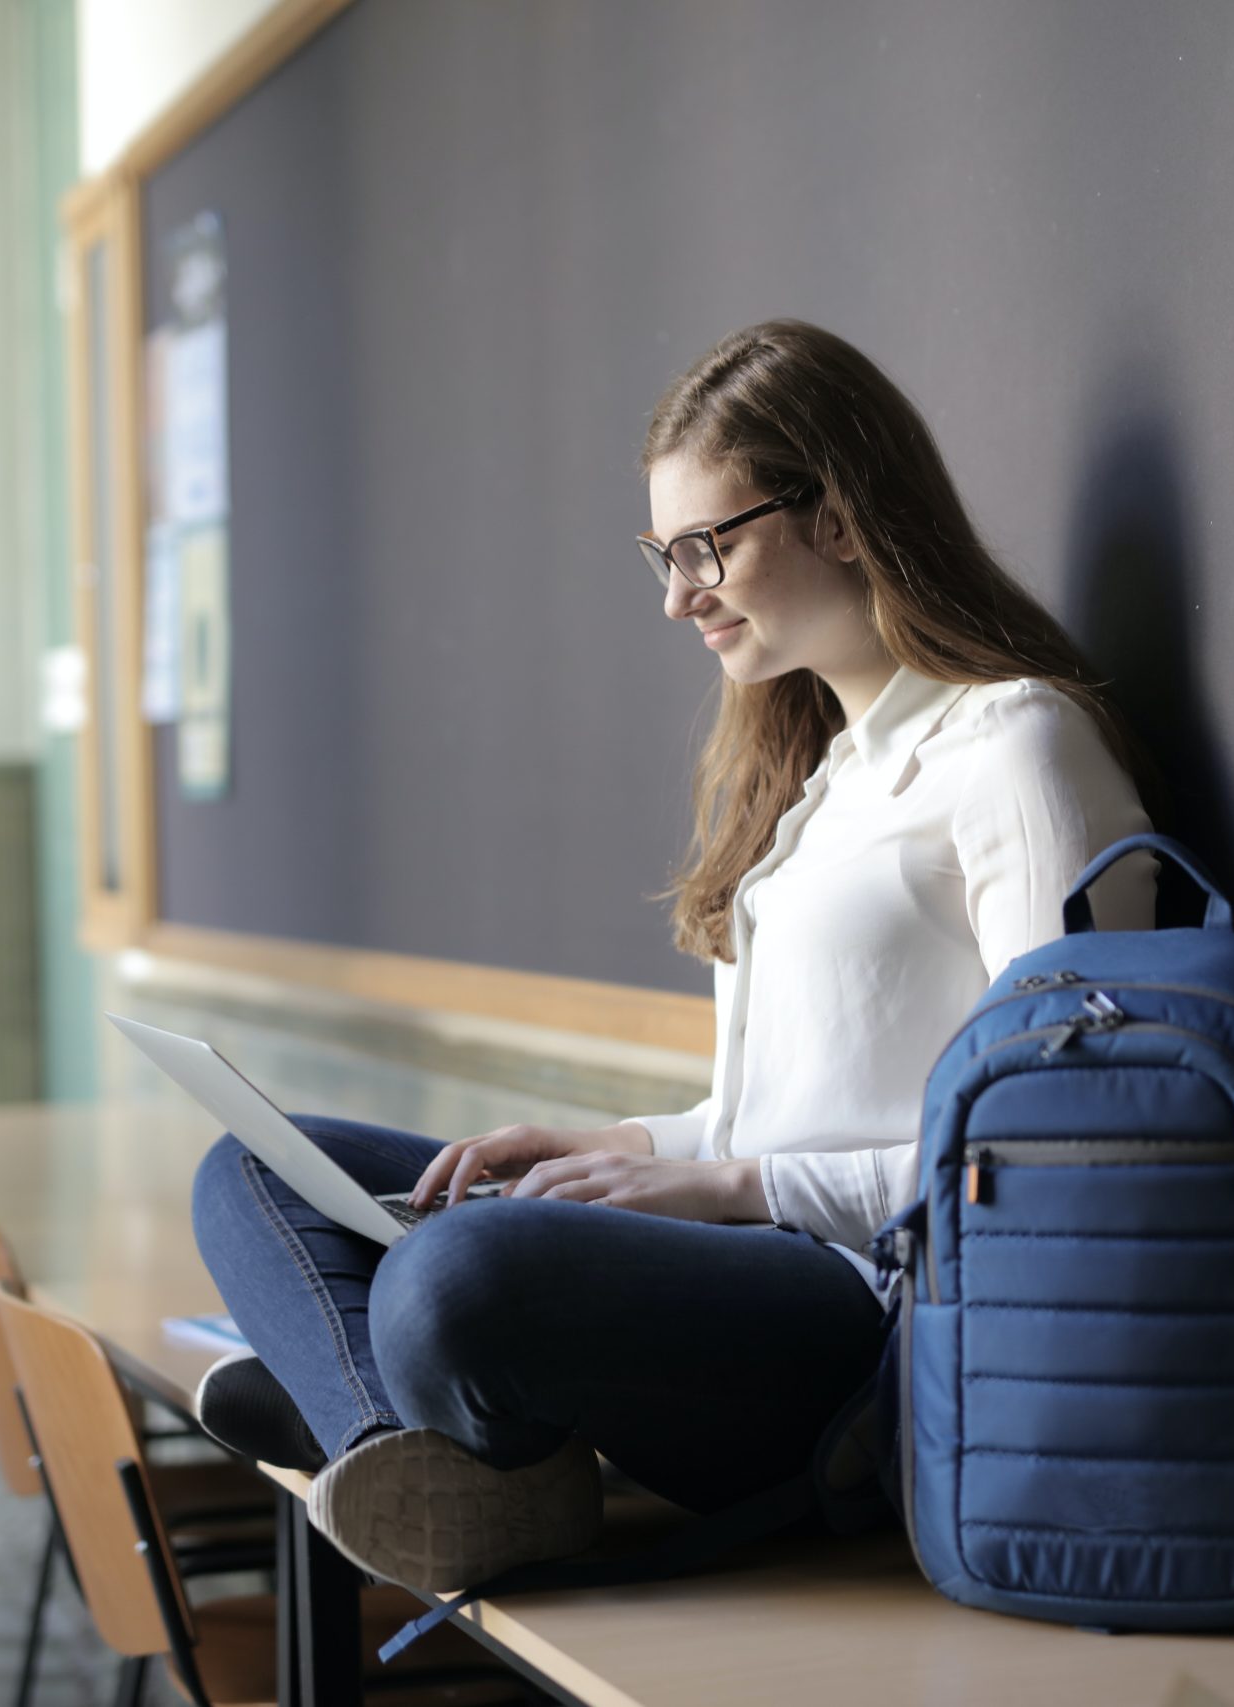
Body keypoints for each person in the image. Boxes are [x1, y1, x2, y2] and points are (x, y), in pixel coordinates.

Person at [189, 318, 1157, 1594]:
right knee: (250, 1166)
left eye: (706, 546)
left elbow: (1064, 1147)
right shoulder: (822, 780)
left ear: (843, 517)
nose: (675, 593)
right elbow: (775, 1114)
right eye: (662, 552)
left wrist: (731, 1192)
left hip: (882, 1319)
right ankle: (412, 1454)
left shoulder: (1015, 753)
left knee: (454, 1275)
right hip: (756, 1251)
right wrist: (626, 1149)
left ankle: (391, 1407)